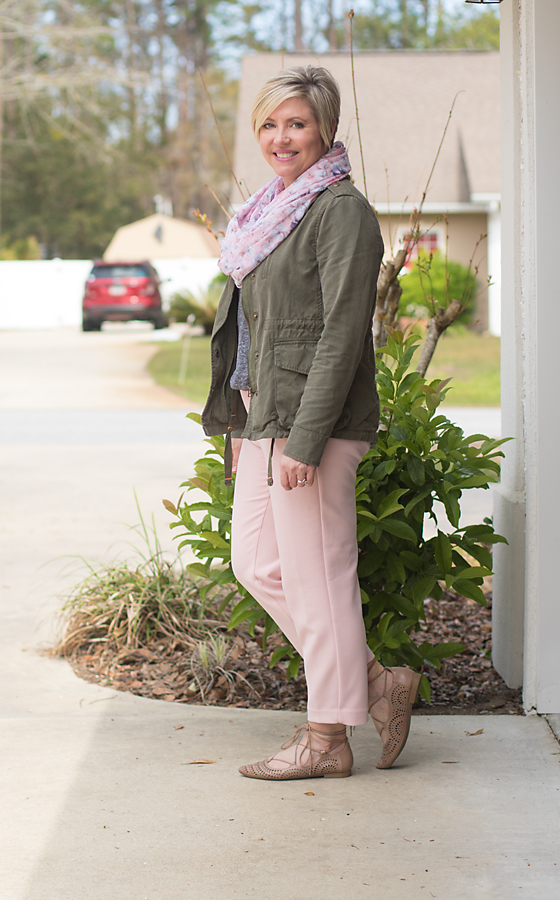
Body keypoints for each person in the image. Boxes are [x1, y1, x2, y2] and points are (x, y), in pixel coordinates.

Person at [202, 65, 422, 780]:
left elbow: (341, 334)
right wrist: (242, 427)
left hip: (312, 424)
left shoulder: (340, 210)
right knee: (257, 565)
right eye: (269, 124)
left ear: (324, 127)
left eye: (295, 123)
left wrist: (306, 439)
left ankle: (327, 739)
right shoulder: (268, 212)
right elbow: (253, 333)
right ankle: (376, 682)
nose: (281, 137)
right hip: (263, 417)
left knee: (318, 579)